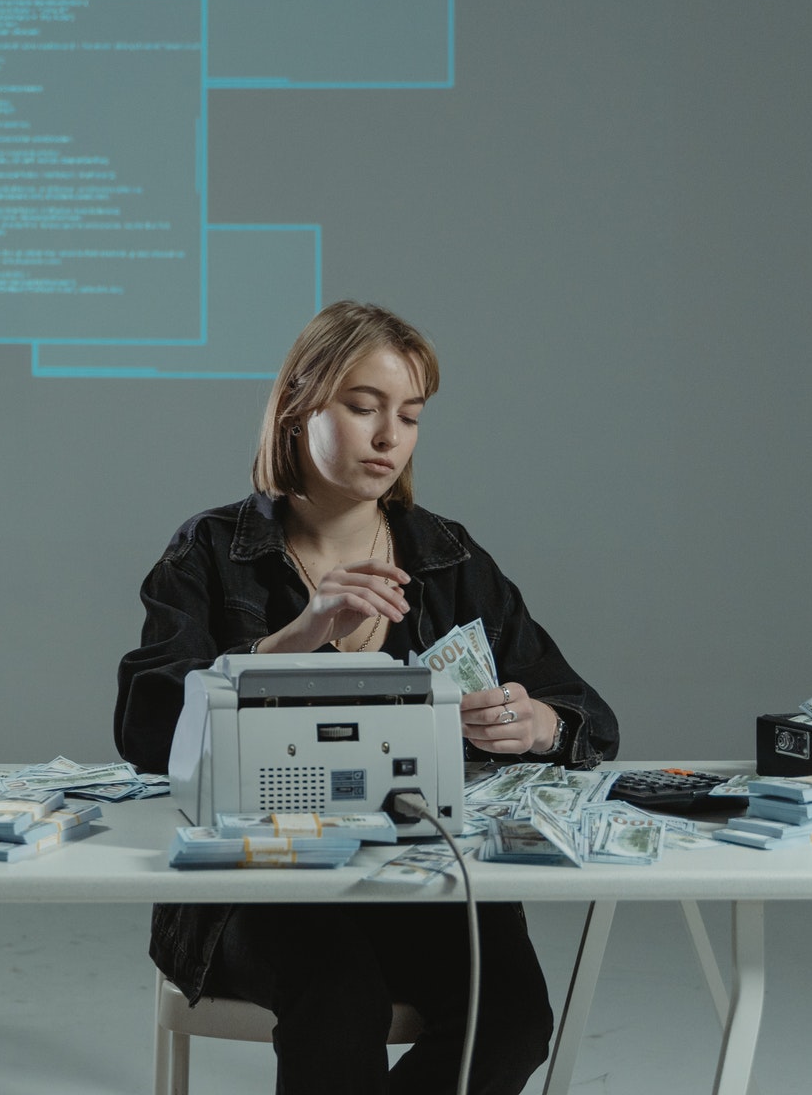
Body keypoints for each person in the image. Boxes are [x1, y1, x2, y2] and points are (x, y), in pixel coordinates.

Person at [114, 300, 619, 1095]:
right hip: (258, 889)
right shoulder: (212, 551)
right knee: (339, 1001)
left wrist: (535, 722)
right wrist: (294, 641)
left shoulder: (448, 559)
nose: (390, 438)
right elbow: (145, 728)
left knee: (514, 1018)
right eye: (363, 408)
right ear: (299, 405)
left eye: (410, 416)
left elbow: (588, 717)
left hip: (421, 881)